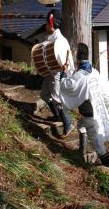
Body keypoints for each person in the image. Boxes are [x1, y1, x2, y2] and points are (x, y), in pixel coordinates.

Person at [60, 43, 109, 168]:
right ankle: (82, 151)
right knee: (81, 126)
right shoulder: (94, 72)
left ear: (77, 59)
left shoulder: (80, 76)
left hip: (90, 115)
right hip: (98, 110)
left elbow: (66, 86)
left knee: (98, 145)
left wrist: (64, 73)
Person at [40, 9, 75, 138]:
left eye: (47, 23)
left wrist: (65, 74)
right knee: (44, 95)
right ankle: (57, 116)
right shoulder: (50, 38)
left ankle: (68, 124)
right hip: (49, 72)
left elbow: (64, 62)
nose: (45, 26)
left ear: (52, 24)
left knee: (56, 99)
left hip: (57, 73)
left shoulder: (60, 40)